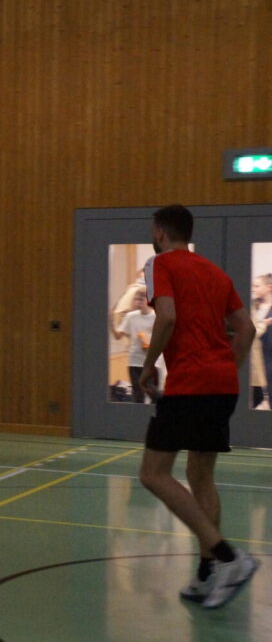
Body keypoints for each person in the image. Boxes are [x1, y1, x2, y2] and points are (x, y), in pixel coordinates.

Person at [137, 205, 258, 609]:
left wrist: (149, 366)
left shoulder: (159, 264)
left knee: (153, 474)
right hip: (222, 386)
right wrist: (227, 367)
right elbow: (246, 328)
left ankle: (227, 556)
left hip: (190, 384)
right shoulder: (215, 272)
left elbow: (167, 317)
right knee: (200, 477)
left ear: (160, 232)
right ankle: (208, 574)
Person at [113, 290, 156, 403]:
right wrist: (110, 320)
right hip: (134, 361)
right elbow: (118, 336)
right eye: (136, 299)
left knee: (152, 393)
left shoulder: (155, 317)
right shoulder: (131, 317)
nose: (138, 302)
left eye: (141, 299)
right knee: (137, 395)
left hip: (150, 362)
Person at [251, 275, 271, 408]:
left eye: (257, 286)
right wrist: (264, 324)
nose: (253, 289)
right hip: (257, 358)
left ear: (269, 288)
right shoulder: (253, 306)